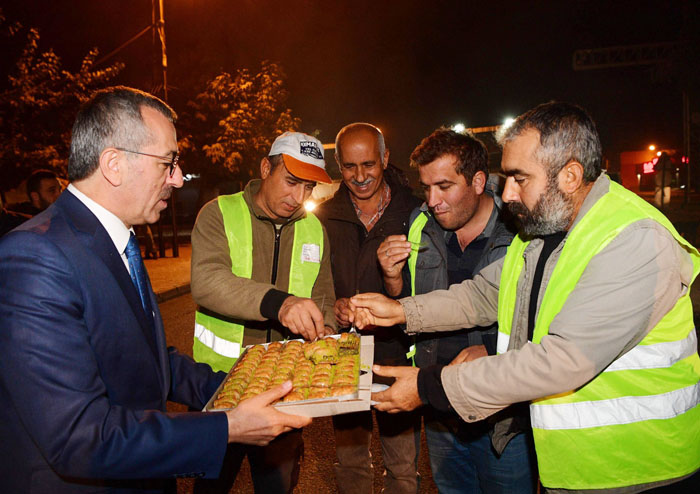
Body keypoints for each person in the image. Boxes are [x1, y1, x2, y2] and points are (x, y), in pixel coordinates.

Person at [350, 102, 700, 493]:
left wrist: (429, 387)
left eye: (519, 178)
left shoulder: (632, 238)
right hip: (576, 466)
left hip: (641, 470)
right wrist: (400, 310)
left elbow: (562, 360)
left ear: (570, 175)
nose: (508, 193)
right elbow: (482, 295)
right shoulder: (544, 233)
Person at [0, 86, 310, 494]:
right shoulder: (35, 257)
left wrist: (241, 389)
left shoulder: (116, 240)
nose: (178, 179)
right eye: (168, 163)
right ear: (114, 164)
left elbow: (145, 359)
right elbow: (79, 437)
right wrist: (227, 427)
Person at [377, 127, 535, 493]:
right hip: (440, 413)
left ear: (478, 181)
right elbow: (412, 306)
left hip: (502, 422)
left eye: (444, 186)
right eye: (426, 187)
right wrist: (391, 280)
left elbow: (545, 321)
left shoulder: (521, 233)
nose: (432, 200)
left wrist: (494, 351)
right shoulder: (421, 226)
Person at [190, 131, 337, 493]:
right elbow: (207, 281)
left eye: (308, 187)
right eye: (291, 181)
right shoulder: (218, 213)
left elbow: (324, 299)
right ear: (265, 167)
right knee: (210, 484)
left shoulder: (314, 228)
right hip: (219, 385)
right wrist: (280, 303)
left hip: (284, 390)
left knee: (277, 485)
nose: (298, 197)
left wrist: (327, 337)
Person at [315, 123, 422, 494]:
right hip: (345, 353)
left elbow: (432, 291)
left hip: (398, 352)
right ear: (337, 165)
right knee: (351, 462)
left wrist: (395, 290)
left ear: (386, 159)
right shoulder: (323, 218)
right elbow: (313, 286)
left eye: (369, 164)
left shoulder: (415, 212)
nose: (360, 176)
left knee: (403, 467)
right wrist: (335, 308)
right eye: (349, 166)